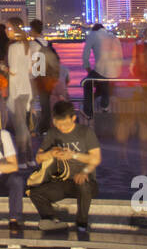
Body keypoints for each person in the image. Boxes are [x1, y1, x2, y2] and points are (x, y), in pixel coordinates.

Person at [28, 100, 101, 240]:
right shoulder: (53, 133)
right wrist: (51, 154)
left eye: (65, 124)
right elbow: (38, 158)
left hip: (86, 181)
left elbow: (95, 159)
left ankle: (82, 223)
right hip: (63, 181)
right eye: (58, 124)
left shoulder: (85, 132)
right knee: (35, 193)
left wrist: (74, 157)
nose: (62, 127)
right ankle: (53, 220)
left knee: (83, 183)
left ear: (73, 118)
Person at [5, 17, 33, 162]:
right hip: (27, 89)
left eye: (8, 28)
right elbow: (30, 69)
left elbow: (13, 70)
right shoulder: (27, 45)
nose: (6, 30)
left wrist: (4, 68)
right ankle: (29, 157)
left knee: (20, 126)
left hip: (16, 90)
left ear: (14, 29)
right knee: (24, 125)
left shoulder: (13, 47)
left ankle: (23, 158)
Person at [81, 22, 122, 117]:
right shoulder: (112, 35)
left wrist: (87, 68)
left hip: (102, 69)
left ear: (94, 29)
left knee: (87, 83)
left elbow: (85, 55)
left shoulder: (93, 34)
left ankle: (88, 111)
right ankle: (104, 104)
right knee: (102, 81)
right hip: (115, 70)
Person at [29, 20, 60, 134]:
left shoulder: (33, 45)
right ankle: (45, 128)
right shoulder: (47, 43)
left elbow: (32, 62)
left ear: (33, 30)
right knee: (45, 104)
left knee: (30, 103)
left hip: (36, 77)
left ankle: (34, 128)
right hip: (48, 76)